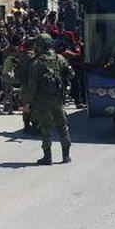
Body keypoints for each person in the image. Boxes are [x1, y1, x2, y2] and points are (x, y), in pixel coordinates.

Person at [22, 34, 73, 165]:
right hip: (58, 99)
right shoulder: (59, 58)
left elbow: (32, 86)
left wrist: (27, 103)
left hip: (42, 100)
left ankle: (47, 157)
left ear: (40, 45)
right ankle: (66, 155)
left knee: (46, 128)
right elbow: (71, 73)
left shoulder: (37, 62)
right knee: (62, 126)